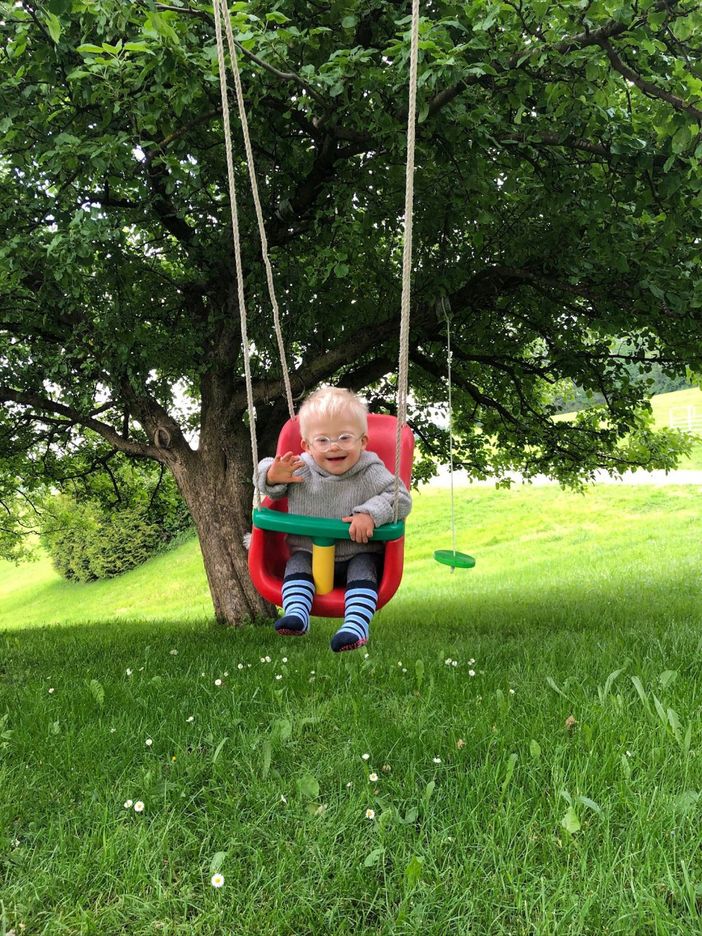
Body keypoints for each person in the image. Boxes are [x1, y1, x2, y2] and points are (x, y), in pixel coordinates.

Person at [256, 387, 412, 652]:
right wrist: (271, 475)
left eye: (344, 437)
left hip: (358, 553)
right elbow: (270, 483)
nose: (334, 446)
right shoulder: (299, 468)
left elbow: (401, 498)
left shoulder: (370, 470)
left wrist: (370, 514)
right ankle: (296, 614)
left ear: (363, 442)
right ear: (306, 445)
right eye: (323, 440)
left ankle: (355, 626)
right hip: (309, 553)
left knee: (364, 568)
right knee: (296, 565)